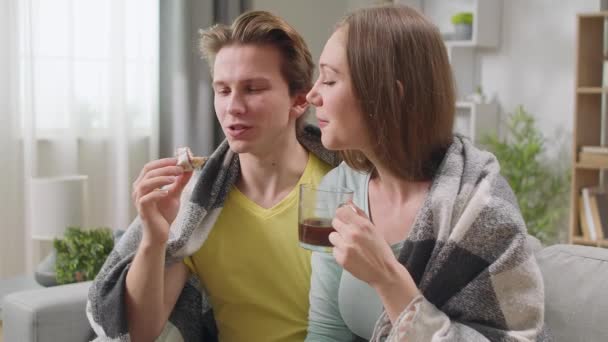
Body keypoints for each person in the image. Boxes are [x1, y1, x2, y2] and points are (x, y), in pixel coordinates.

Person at [86, 11, 337, 341]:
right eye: (223, 90)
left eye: (253, 88)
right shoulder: (197, 206)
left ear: (299, 100)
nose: (233, 106)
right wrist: (154, 238)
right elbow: (140, 334)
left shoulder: (344, 185)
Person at [305, 5, 547, 341]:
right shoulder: (339, 188)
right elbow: (326, 333)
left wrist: (389, 280)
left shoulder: (483, 209)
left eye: (329, 79)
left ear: (390, 94)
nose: (312, 94)